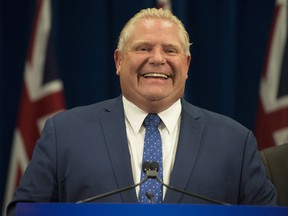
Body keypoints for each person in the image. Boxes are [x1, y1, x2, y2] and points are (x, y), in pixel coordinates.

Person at [7, 7, 277, 215]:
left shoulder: (234, 142)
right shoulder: (65, 134)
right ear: (118, 60)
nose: (157, 58)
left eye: (170, 50)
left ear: (186, 64)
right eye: (143, 48)